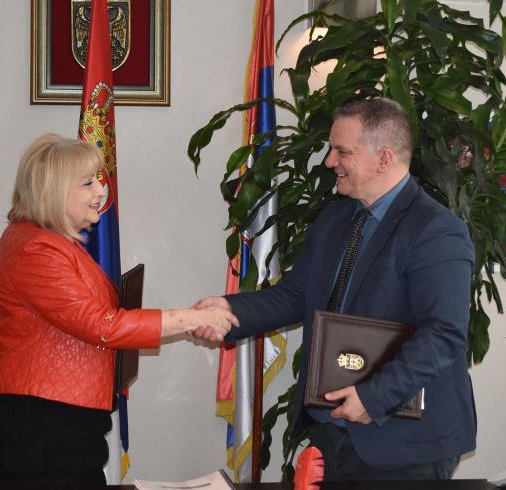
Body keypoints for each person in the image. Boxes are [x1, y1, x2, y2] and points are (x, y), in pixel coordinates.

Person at [194, 98, 476, 481]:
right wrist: (227, 311)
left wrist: (373, 397)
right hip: (334, 429)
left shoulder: (436, 230)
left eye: (343, 152)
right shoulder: (336, 217)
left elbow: (443, 334)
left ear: (384, 159)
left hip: (404, 444)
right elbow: (296, 295)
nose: (329, 162)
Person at [0, 133, 237, 487]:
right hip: (40, 427)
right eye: (88, 183)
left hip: (59, 424)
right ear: (53, 190)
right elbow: (100, 325)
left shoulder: (49, 241)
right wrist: (191, 319)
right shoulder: (36, 250)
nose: (101, 191)